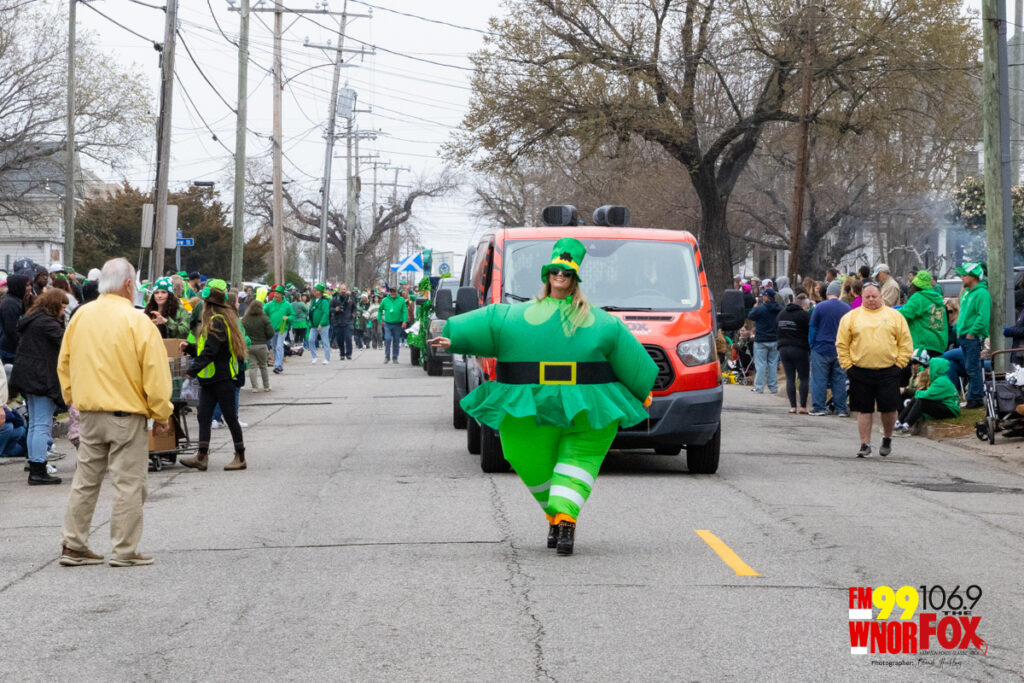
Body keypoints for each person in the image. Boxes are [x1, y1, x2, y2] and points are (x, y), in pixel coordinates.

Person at [429, 237, 657, 555]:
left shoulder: (601, 321)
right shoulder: (516, 316)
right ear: (547, 275)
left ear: (575, 278)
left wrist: (642, 390)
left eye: (566, 272)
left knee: (580, 460)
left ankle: (566, 520)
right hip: (530, 404)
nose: (560, 276)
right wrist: (452, 337)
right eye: (555, 271)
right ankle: (557, 514)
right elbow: (490, 323)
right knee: (524, 456)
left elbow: (629, 357)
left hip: (587, 406)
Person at [57, 257, 173, 567]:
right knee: (129, 484)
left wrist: (73, 398)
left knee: (85, 481)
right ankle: (124, 550)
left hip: (88, 412)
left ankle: (73, 544)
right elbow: (155, 373)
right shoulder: (137, 321)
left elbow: (64, 363)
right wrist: (161, 413)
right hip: (125, 414)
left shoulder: (81, 316)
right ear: (128, 284)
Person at [836, 282, 914, 457]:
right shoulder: (851, 317)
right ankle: (865, 444)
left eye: (874, 296)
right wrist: (847, 365)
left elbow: (905, 342)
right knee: (864, 409)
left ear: (881, 296)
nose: (871, 300)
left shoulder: (894, 316)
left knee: (889, 408)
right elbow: (842, 344)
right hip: (860, 370)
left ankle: (887, 437)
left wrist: (900, 364)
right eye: (867, 297)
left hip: (889, 370)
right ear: (862, 297)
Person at [179, 280, 248, 472]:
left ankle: (240, 456)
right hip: (211, 379)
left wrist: (191, 371)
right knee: (203, 416)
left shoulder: (216, 321)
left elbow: (211, 351)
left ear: (209, 304)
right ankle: (202, 456)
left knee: (230, 417)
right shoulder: (216, 320)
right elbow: (208, 349)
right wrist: (191, 348)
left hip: (222, 378)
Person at [11, 289, 67, 485]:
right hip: (41, 378)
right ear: (54, 305)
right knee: (42, 424)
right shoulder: (47, 324)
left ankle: (35, 465)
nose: (64, 312)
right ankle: (38, 468)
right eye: (62, 307)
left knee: (35, 424)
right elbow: (68, 342)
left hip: (28, 377)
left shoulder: (33, 320)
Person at [808, 280, 851, 416]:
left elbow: (813, 328)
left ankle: (819, 408)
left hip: (821, 347)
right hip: (840, 349)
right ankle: (841, 409)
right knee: (839, 380)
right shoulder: (847, 309)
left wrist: (812, 345)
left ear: (827, 293)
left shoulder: (819, 307)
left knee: (819, 379)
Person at [955, 262, 991, 410]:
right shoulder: (968, 293)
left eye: (965, 275)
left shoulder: (982, 294)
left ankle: (975, 398)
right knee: (970, 367)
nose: (962, 277)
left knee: (973, 367)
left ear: (974, 277)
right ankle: (974, 397)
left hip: (972, 337)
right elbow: (964, 314)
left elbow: (983, 317)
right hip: (964, 336)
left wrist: (972, 333)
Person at [894, 356, 960, 435]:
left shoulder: (941, 381)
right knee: (918, 398)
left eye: (930, 367)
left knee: (922, 401)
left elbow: (928, 394)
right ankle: (900, 422)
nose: (928, 369)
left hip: (951, 410)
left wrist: (913, 392)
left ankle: (907, 425)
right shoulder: (939, 379)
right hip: (945, 406)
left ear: (936, 368)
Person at [898, 270, 948, 367]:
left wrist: (889, 312)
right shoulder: (937, 299)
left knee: (919, 374)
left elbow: (904, 315)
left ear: (916, 285)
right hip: (939, 344)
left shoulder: (919, 297)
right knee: (932, 373)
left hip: (922, 345)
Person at [776, 294, 811, 413]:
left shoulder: (781, 314)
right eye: (807, 307)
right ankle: (803, 407)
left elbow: (777, 329)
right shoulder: (804, 315)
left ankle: (793, 407)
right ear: (803, 305)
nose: (808, 309)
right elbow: (810, 330)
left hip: (783, 348)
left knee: (790, 378)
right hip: (799, 348)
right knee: (804, 377)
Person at [747, 288, 782, 394]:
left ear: (767, 297)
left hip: (761, 340)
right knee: (773, 364)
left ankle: (759, 387)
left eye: (763, 296)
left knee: (761, 364)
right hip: (775, 339)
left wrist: (756, 305)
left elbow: (750, 315)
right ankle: (773, 387)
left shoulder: (760, 309)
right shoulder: (779, 309)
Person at [241, 299, 274, 392]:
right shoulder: (264, 318)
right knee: (263, 366)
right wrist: (265, 339)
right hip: (262, 345)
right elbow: (271, 332)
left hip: (250, 346)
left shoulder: (245, 319)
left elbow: (241, 331)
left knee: (252, 367)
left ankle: (254, 387)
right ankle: (266, 386)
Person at [0, 274, 29, 363]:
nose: (29, 288)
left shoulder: (17, 299)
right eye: (26, 285)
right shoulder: (10, 304)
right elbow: (11, 331)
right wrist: (22, 344)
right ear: (18, 286)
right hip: (10, 351)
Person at [263, 285, 291, 375]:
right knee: (274, 347)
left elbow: (293, 315)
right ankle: (279, 366)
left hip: (283, 329)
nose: (276, 295)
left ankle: (277, 366)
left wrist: (288, 318)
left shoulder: (287, 305)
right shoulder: (269, 304)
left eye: (278, 294)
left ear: (282, 295)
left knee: (279, 346)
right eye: (275, 293)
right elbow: (263, 312)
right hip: (272, 329)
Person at [378, 286, 408, 363]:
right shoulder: (385, 300)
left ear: (397, 292)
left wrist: (404, 321)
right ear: (389, 292)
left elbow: (405, 311)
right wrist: (380, 319)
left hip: (397, 324)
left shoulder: (401, 300)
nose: (392, 293)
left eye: (394, 291)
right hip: (387, 324)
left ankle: (395, 358)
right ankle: (387, 357)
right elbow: (380, 310)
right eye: (391, 291)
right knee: (387, 339)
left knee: (396, 341)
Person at [330, 284, 356, 360]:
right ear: (339, 290)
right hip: (338, 322)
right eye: (342, 289)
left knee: (348, 338)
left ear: (346, 290)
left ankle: (349, 354)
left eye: (344, 289)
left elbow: (354, 307)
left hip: (348, 321)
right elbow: (330, 309)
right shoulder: (334, 299)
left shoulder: (350, 298)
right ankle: (342, 354)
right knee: (339, 340)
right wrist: (335, 309)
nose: (343, 291)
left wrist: (354, 313)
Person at [307, 283, 331, 364]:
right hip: (313, 325)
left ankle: (327, 358)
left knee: (325, 341)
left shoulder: (324, 301)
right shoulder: (313, 301)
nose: (315, 291)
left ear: (320, 292)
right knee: (310, 340)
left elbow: (325, 313)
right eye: (315, 290)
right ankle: (314, 357)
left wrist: (321, 323)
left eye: (317, 290)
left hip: (323, 325)